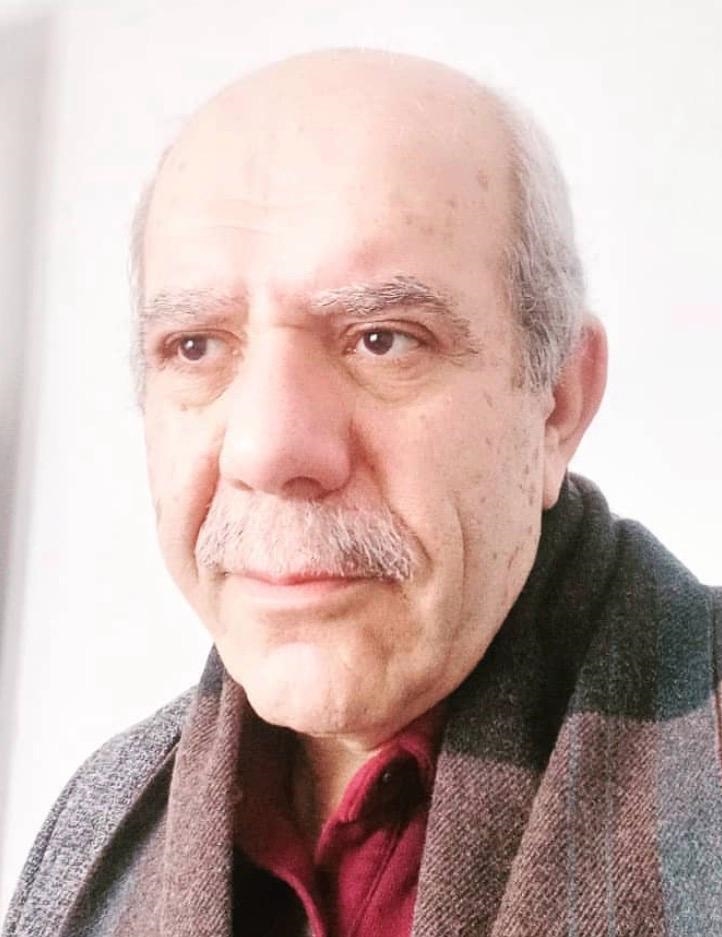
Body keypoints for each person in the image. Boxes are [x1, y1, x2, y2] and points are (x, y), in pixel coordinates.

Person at [3, 48, 721, 937]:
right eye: (195, 346)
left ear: (558, 403)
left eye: (384, 337)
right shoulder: (91, 828)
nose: (267, 450)